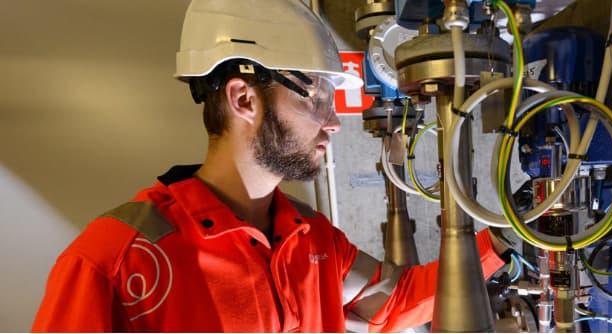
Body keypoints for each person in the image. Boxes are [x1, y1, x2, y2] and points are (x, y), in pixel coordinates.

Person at [32, 0, 509, 332]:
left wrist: (504, 241)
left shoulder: (313, 239)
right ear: (244, 98)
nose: (333, 123)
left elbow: (397, 301)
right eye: (317, 99)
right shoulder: (116, 260)